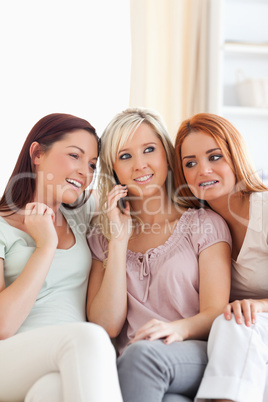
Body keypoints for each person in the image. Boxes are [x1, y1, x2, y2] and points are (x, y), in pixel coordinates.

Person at [86, 107, 232, 402]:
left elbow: (216, 313)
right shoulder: (102, 234)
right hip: (135, 366)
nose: (140, 165)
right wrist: (118, 240)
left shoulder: (205, 225)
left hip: (192, 350)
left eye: (149, 150)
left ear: (166, 154)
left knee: (144, 357)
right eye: (125, 156)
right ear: (114, 169)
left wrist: (173, 329)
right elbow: (106, 325)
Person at [0, 113, 123, 402]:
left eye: (92, 164)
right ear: (37, 153)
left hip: (67, 359)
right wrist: (45, 246)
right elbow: (3, 325)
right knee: (89, 337)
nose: (85, 171)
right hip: (10, 357)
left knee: (51, 391)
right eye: (74, 156)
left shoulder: (83, 213)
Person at [174, 112, 268, 402]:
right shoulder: (198, 227)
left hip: (252, 321)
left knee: (233, 322)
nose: (203, 170)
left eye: (214, 157)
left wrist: (258, 305)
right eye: (190, 163)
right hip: (243, 329)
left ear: (234, 154)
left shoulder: (264, 210)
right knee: (229, 323)